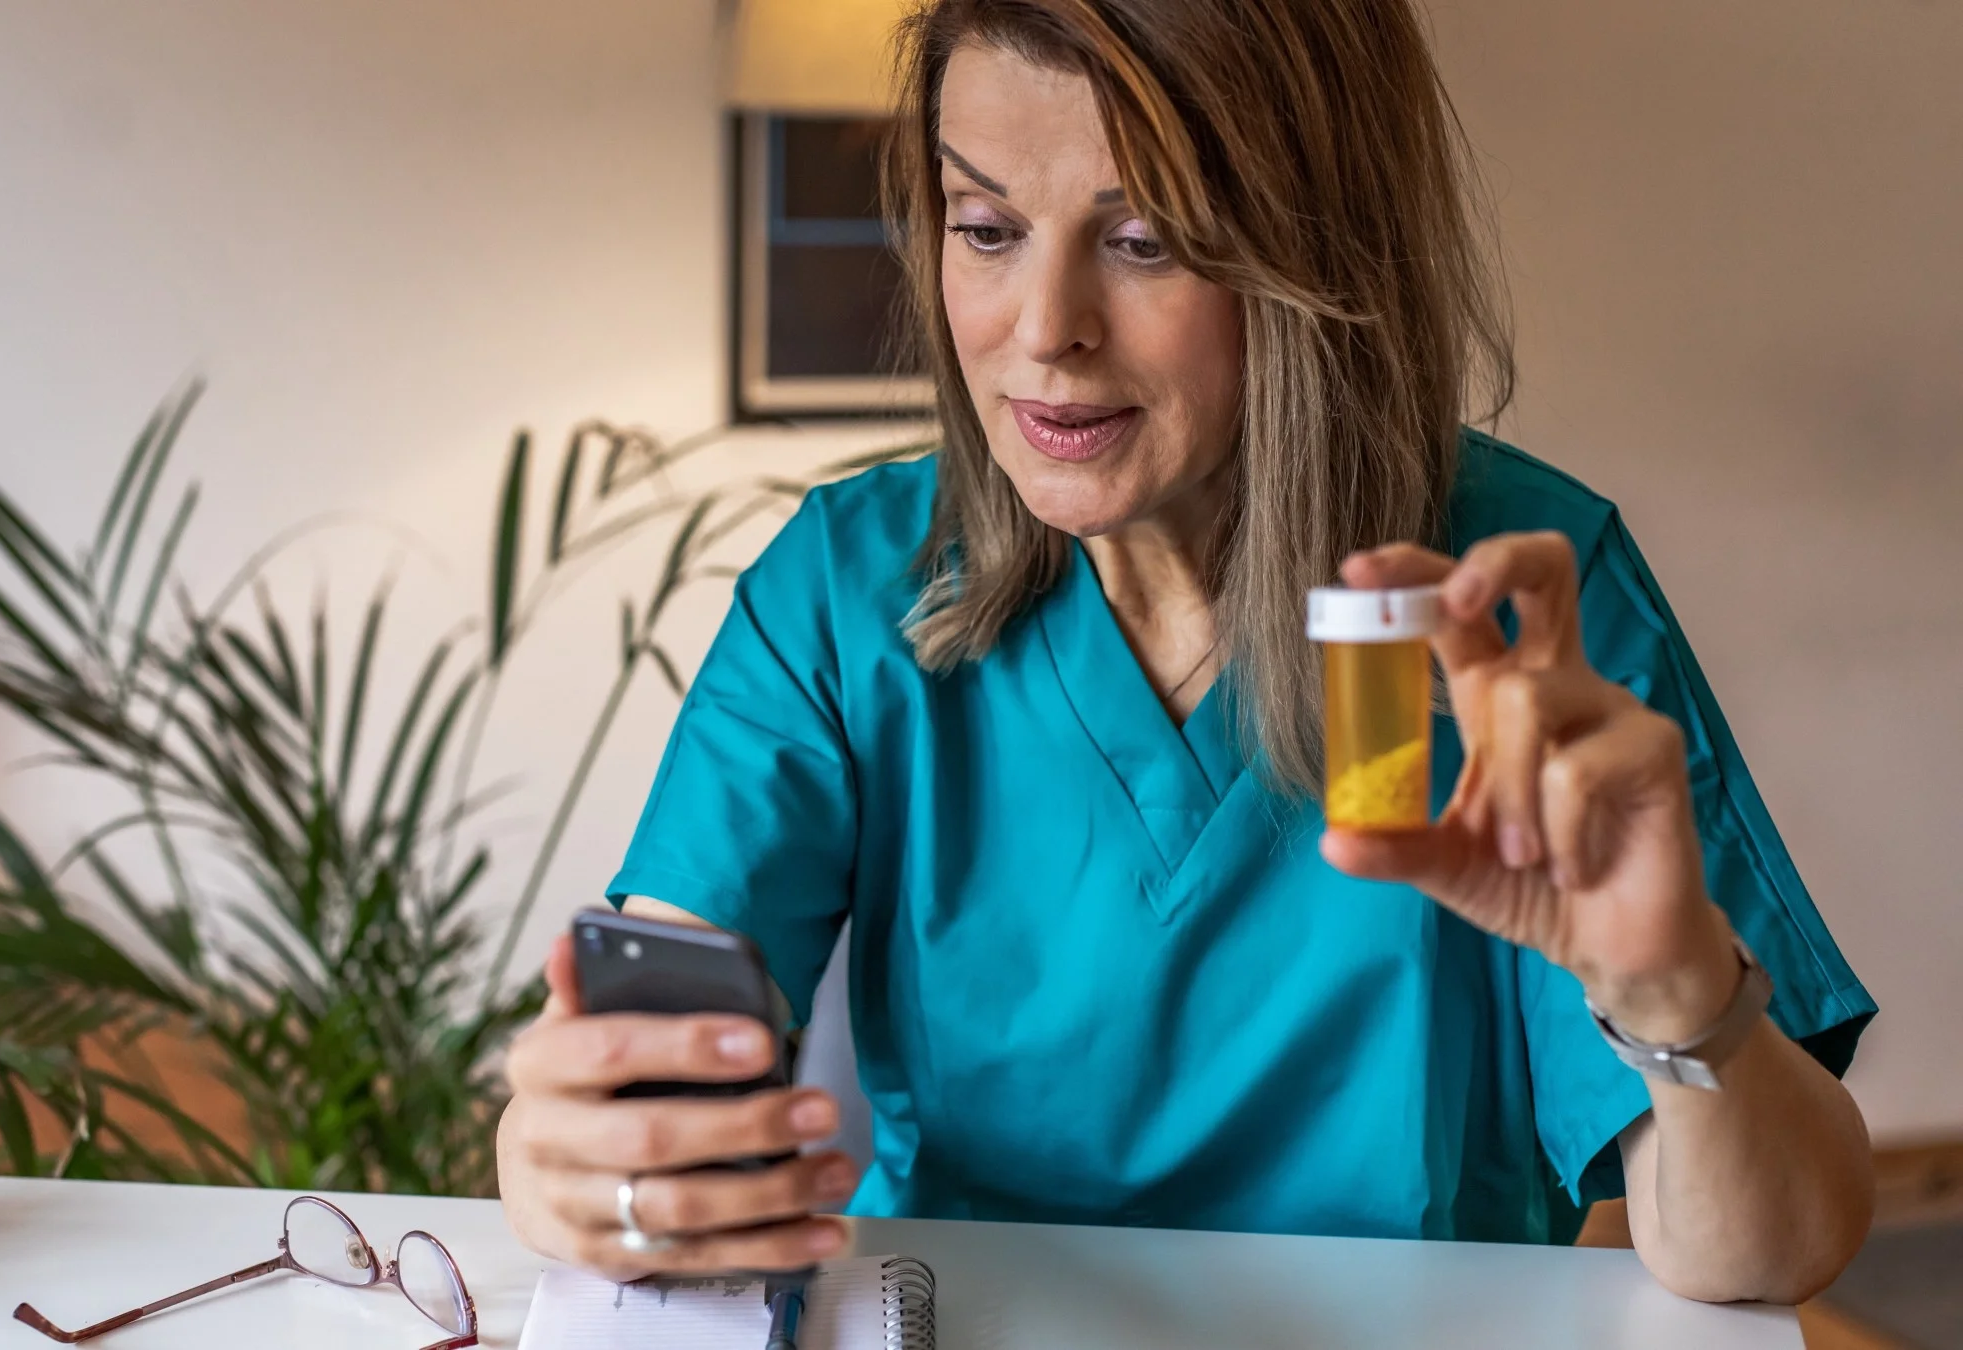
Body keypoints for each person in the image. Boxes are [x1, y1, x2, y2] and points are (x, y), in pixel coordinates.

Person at [496, 0, 1876, 1303]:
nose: (1043, 331)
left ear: (1320, 252)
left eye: (1144, 238)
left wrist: (1675, 990)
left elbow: (1772, 1256)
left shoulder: (1504, 611)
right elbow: (653, 1057)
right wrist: (572, 1155)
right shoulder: (848, 592)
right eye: (985, 228)